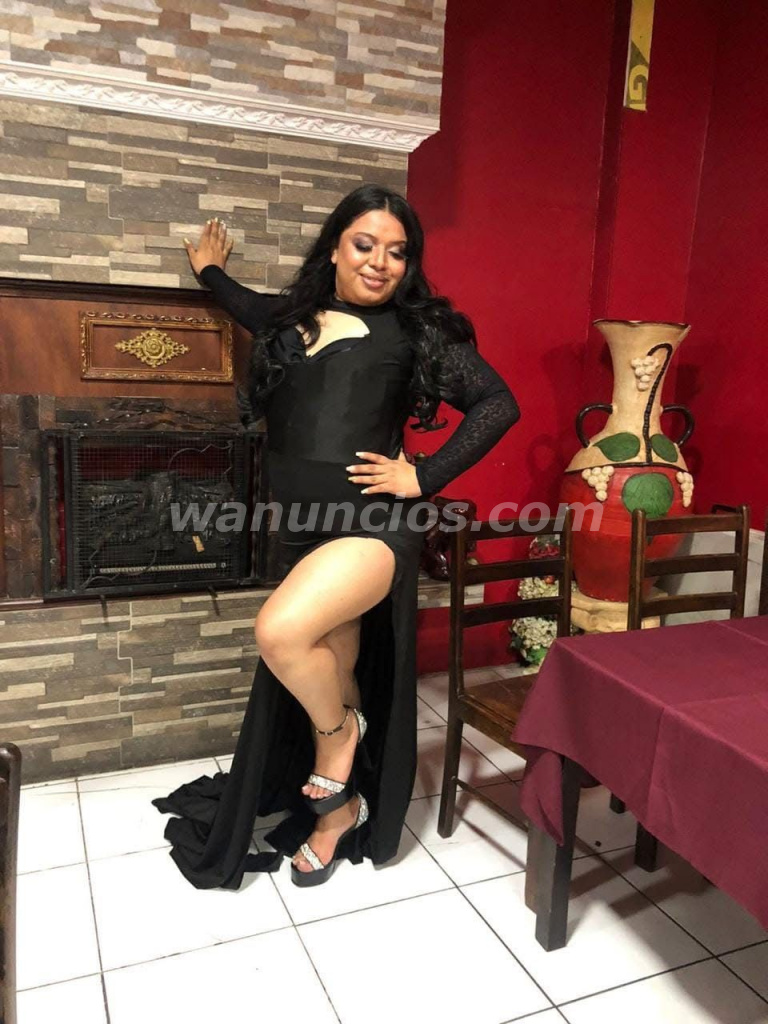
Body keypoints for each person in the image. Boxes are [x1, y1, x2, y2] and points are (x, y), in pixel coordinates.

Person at [154, 184, 520, 889]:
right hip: (300, 530)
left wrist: (423, 476)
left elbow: (497, 404)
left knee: (281, 632)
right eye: (365, 244)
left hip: (374, 527)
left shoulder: (415, 331)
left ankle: (341, 738)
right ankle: (338, 812)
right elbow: (245, 305)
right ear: (334, 248)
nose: (380, 262)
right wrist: (209, 272)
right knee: (334, 665)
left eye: (397, 252)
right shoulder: (291, 319)